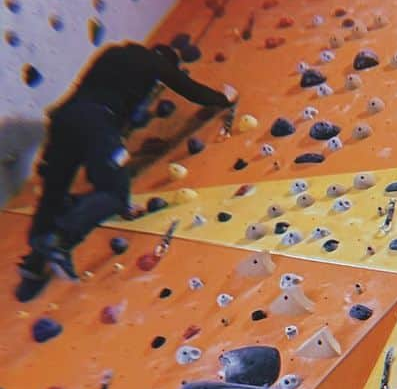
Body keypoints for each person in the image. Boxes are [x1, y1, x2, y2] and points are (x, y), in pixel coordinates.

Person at [16, 42, 237, 301]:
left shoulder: (113, 53)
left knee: (54, 191)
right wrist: (224, 99)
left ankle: (33, 265)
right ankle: (62, 239)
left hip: (65, 118)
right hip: (97, 122)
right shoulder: (155, 63)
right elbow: (189, 89)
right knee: (114, 193)